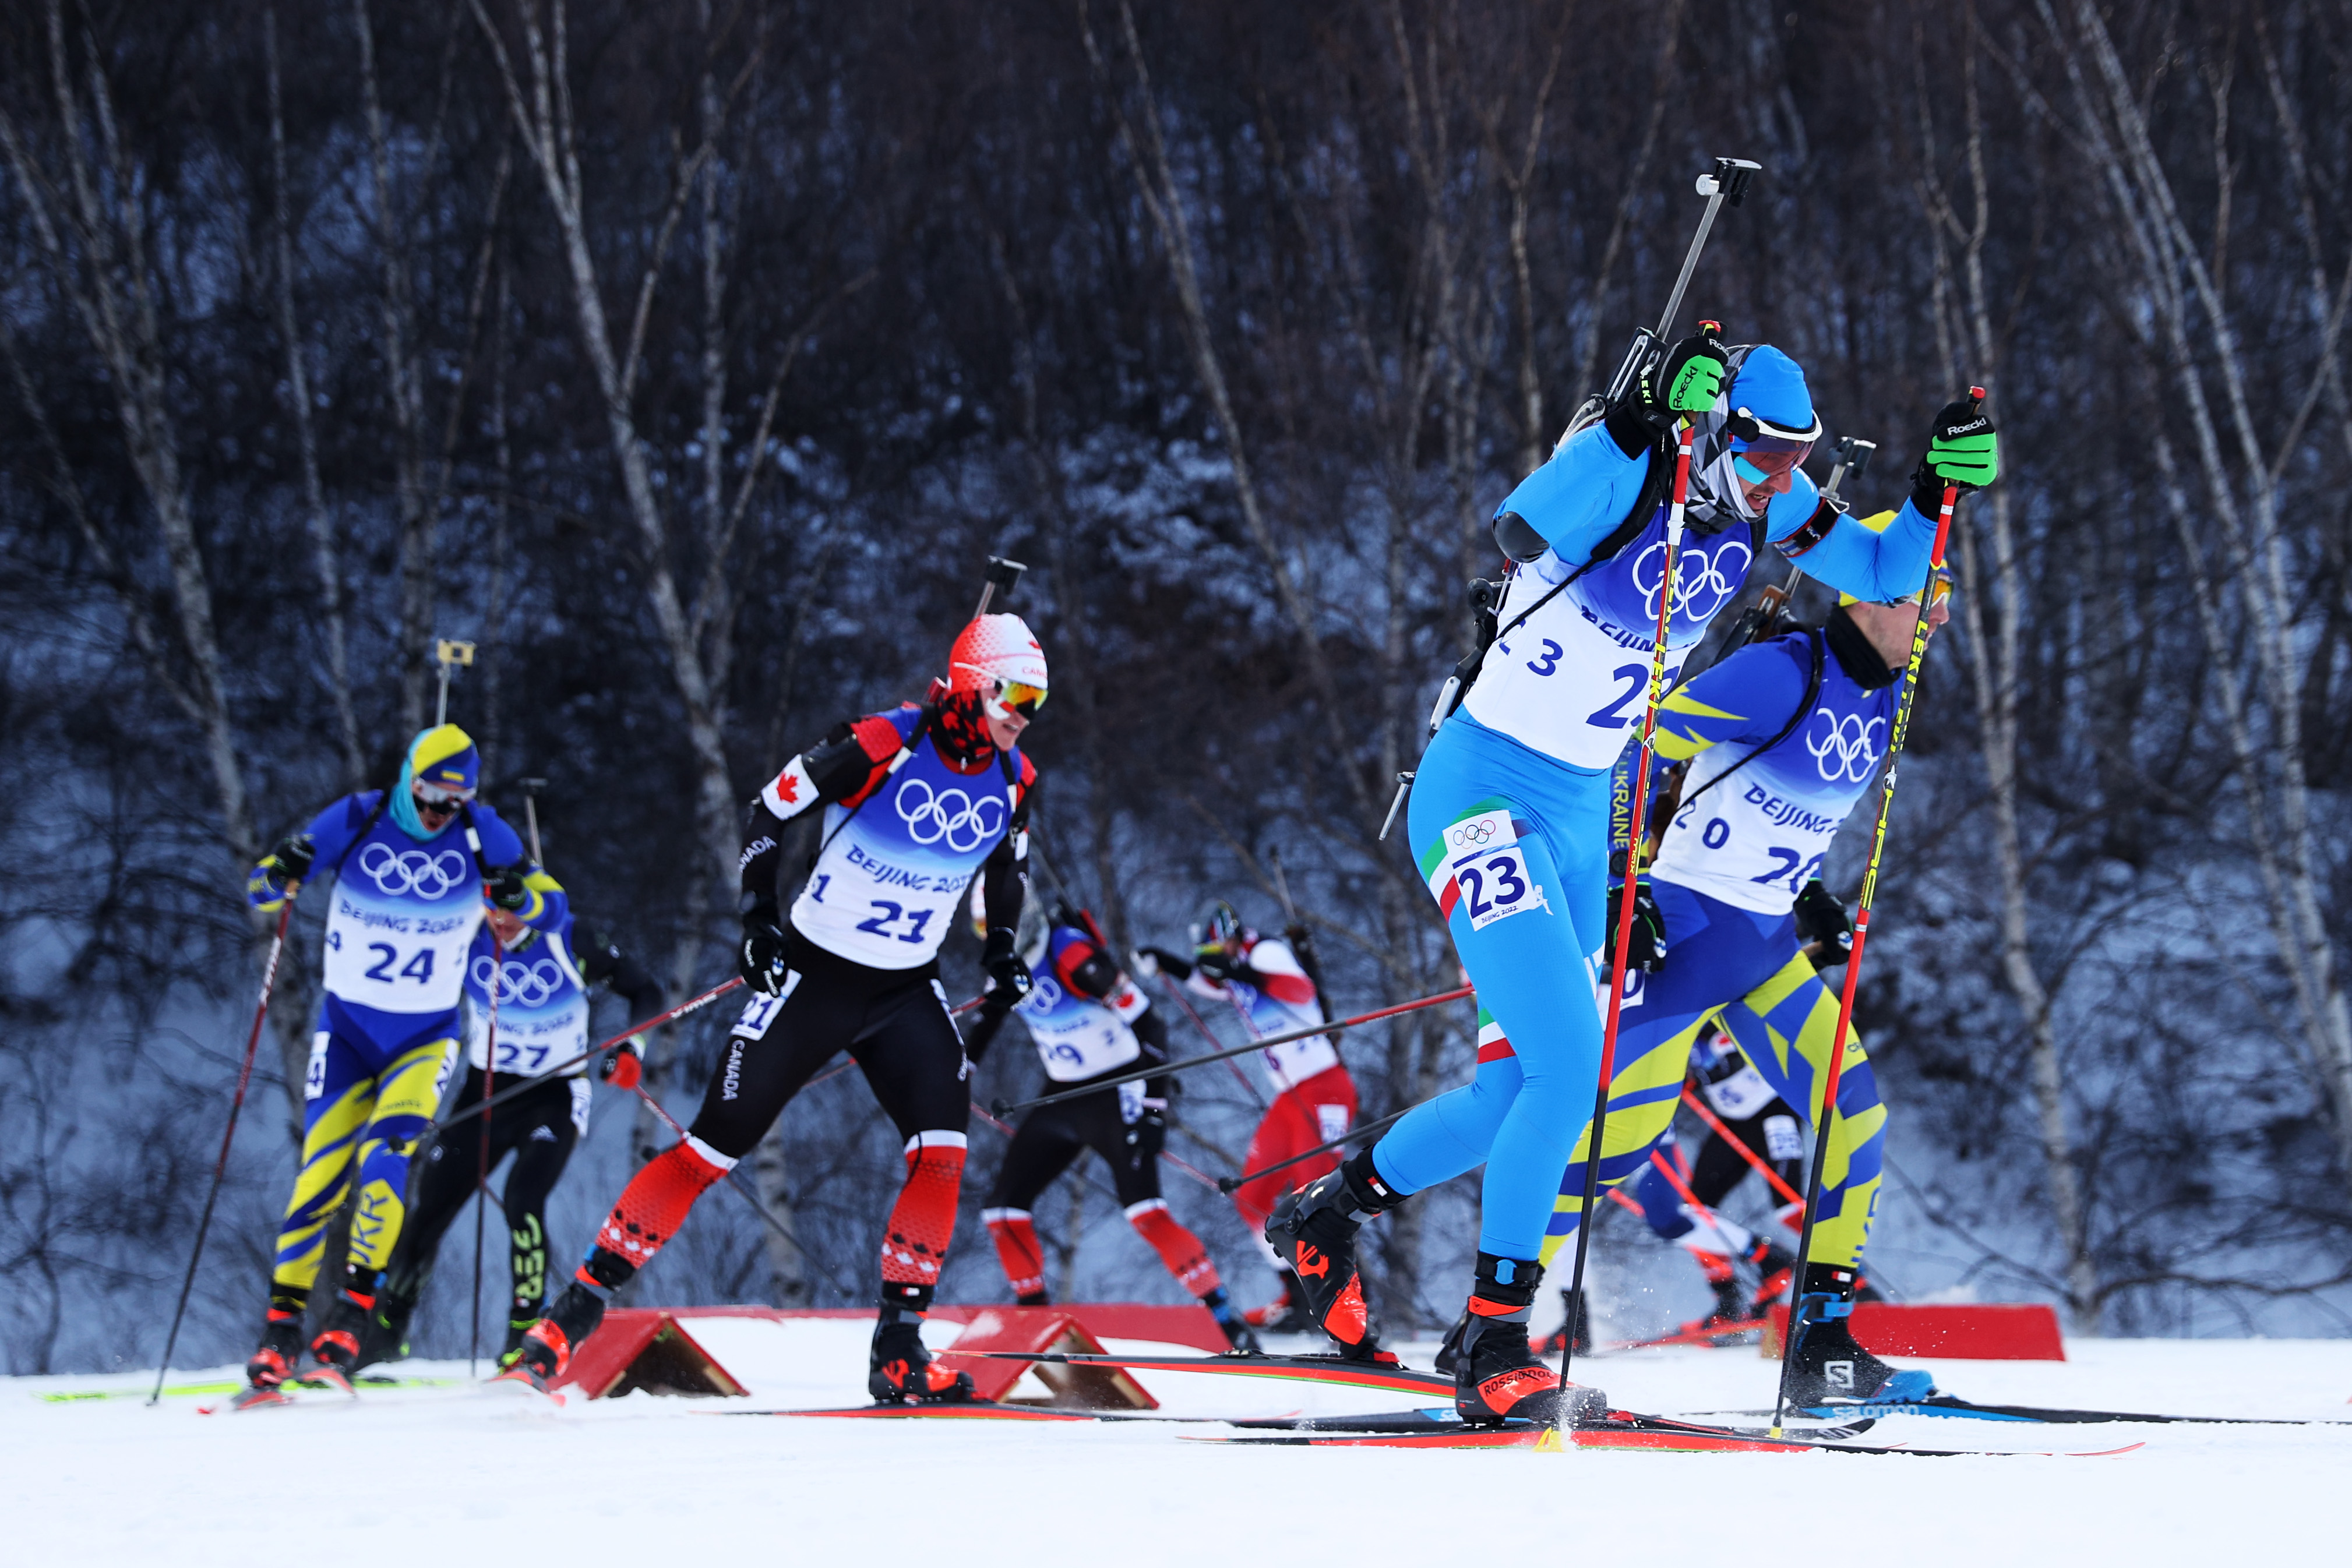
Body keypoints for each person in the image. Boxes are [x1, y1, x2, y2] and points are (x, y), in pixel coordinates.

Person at [1265, 331, 1997, 1424]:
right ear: (1713, 432)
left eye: (1797, 456)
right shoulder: (1632, 466)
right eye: (1764, 453)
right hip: (1478, 796)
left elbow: (1888, 573)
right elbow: (1520, 523)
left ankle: (1329, 1212)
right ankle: (1493, 1337)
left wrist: (1933, 488)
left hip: (1572, 822)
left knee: (1517, 1090)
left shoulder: (1767, 505)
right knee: (1569, 1067)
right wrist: (1632, 420)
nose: (1782, 478)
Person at [506, 612, 1046, 1404]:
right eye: (1016, 695)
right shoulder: (883, 742)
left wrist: (999, 944)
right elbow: (770, 811)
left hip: (904, 989)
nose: (1024, 715)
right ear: (972, 682)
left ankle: (898, 1349)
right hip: (815, 975)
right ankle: (570, 1314)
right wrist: (757, 917)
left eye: (1038, 702)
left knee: (943, 1150)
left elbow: (1007, 868)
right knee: (710, 1152)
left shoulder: (1014, 778)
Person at [1521, 567, 1952, 1403]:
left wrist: (1810, 894)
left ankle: (1819, 1346)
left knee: (1853, 1116)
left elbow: (1789, 812)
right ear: (1864, 602)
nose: (1937, 617)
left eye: (1943, 602)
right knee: (1619, 1146)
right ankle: (1493, 1327)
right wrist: (1618, 882)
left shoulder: (1884, 700)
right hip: (1683, 934)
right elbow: (1636, 745)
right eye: (1920, 601)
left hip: (1763, 943)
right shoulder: (1778, 672)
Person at [239, 724, 566, 1392]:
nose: (441, 813)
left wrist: (520, 900)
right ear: (408, 780)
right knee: (320, 1176)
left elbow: (556, 909)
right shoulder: (357, 819)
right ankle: (280, 1331)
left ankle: (350, 1322)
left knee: (385, 1160)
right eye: (430, 797)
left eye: (455, 801)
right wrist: (284, 870)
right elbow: (259, 890)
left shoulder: (482, 834)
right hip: (349, 1032)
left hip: (425, 1039)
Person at [361, 907, 666, 1368]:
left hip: (554, 1095)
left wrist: (631, 1047)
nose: (501, 919)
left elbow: (647, 990)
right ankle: (382, 1338)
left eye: (513, 907)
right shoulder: (462, 934)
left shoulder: (570, 938)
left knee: (523, 1200)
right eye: (490, 907)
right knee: (428, 1212)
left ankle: (523, 1338)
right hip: (486, 1091)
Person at [965, 900, 1260, 1351]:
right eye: (983, 927)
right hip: (1061, 1096)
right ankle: (1041, 1331)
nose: (991, 937)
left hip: (1118, 1088)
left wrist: (1154, 1109)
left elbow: (1152, 1026)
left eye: (997, 925)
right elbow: (979, 1035)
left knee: (1145, 1212)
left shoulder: (1072, 955)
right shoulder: (1003, 965)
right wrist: (945, 1075)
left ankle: (1228, 1324)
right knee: (1002, 1211)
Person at [1135, 901, 1356, 1334]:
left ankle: (1337, 1302)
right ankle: (1296, 1294)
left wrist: (1238, 973)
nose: (1222, 966)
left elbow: (1299, 991)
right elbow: (1212, 985)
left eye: (1223, 956)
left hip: (1324, 1085)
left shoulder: (1264, 953)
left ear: (1234, 939)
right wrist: (1169, 964)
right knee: (1252, 1193)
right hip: (1289, 1097)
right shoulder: (1235, 965)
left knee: (1318, 1199)